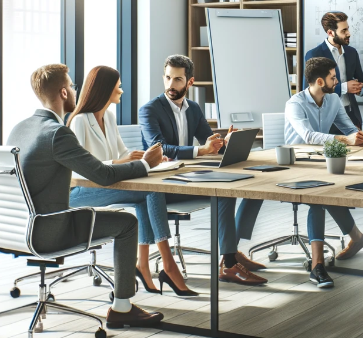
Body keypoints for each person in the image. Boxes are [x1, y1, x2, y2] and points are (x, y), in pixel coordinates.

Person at [7, 64, 165, 329]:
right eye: (71, 85)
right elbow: (102, 174)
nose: (74, 89)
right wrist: (147, 164)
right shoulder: (58, 133)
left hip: (15, 230)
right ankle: (122, 308)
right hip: (47, 231)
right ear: (63, 93)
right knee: (127, 224)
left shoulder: (20, 128)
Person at [68, 66, 197, 296]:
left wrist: (149, 159)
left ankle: (144, 264)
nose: (121, 90)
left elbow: (123, 152)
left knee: (147, 191)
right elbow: (84, 169)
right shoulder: (79, 121)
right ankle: (167, 265)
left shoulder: (108, 117)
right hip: (82, 190)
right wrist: (122, 161)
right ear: (105, 89)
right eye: (118, 86)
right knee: (149, 191)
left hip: (108, 184)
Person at [139, 55, 267, 286]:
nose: (171, 85)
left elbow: (207, 141)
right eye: (168, 78)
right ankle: (229, 262)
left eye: (178, 79)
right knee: (224, 191)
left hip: (187, 177)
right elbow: (159, 148)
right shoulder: (149, 110)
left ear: (190, 82)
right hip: (162, 184)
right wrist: (202, 151)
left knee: (242, 186)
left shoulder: (193, 108)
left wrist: (222, 143)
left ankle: (230, 256)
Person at [286, 57, 363, 288]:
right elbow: (309, 136)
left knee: (342, 189)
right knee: (318, 199)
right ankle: (317, 265)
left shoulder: (332, 99)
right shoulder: (295, 103)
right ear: (320, 81)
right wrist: (346, 139)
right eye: (333, 77)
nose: (337, 80)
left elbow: (349, 128)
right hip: (295, 163)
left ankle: (357, 238)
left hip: (322, 160)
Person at [304, 11, 363, 129]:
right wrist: (344, 88)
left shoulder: (352, 52)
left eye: (347, 29)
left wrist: (360, 88)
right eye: (343, 31)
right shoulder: (314, 54)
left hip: (351, 115)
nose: (349, 33)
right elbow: (309, 91)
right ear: (330, 33)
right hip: (327, 117)